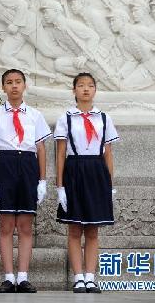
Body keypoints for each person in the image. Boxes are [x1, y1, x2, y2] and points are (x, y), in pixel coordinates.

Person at [0, 69, 51, 293]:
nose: (14, 86)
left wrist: (42, 180)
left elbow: (40, 148)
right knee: (7, 224)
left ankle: (23, 277)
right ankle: (8, 277)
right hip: (6, 165)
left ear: (24, 85)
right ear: (3, 88)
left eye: (18, 82)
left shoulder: (35, 115)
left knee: (26, 225)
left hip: (28, 165)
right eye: (9, 82)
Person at [53, 72, 119, 293]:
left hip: (97, 171)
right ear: (74, 90)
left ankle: (91, 277)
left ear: (95, 90)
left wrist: (110, 184)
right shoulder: (67, 118)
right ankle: (78, 277)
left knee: (93, 229)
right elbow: (60, 153)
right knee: (74, 228)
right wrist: (59, 185)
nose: (86, 89)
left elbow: (108, 153)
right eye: (81, 85)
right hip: (75, 170)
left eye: (90, 85)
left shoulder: (104, 118)